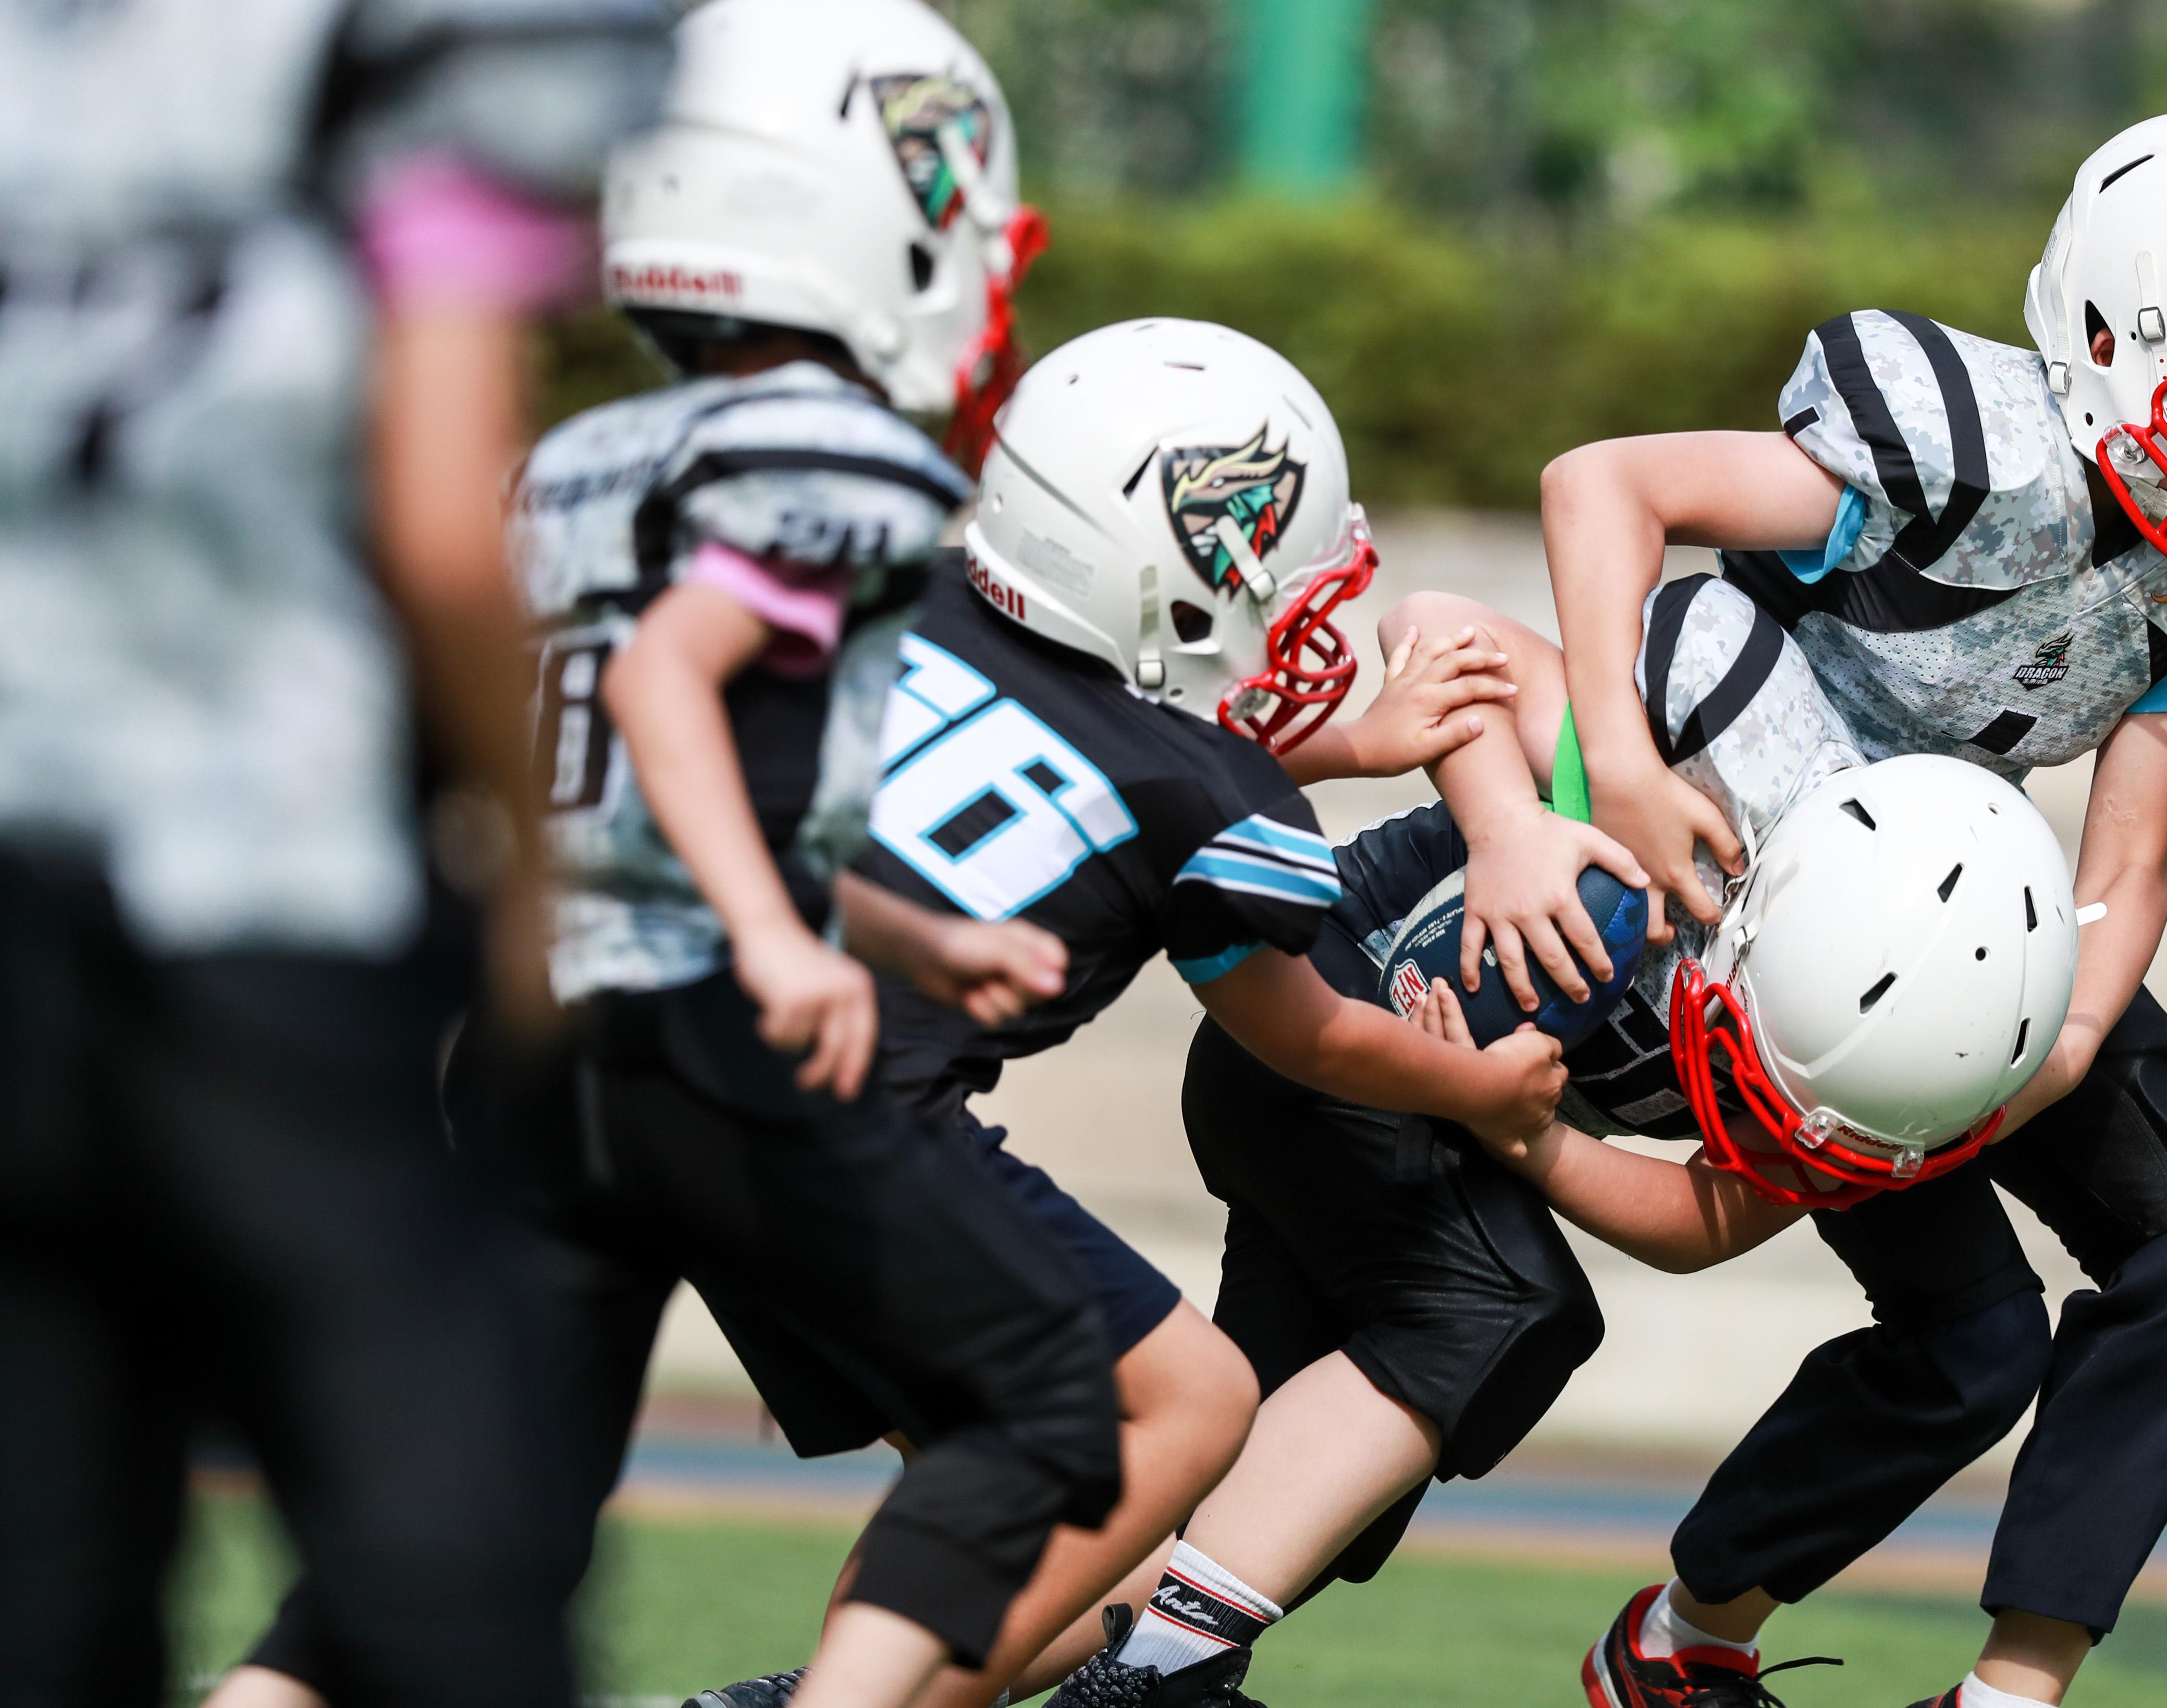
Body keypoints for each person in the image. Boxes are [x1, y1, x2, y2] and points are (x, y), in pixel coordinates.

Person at [207, 7, 1130, 1708]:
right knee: (1048, 1391)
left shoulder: (583, 460)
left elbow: (646, 778)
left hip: (545, 1040)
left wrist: (902, 942)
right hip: (707, 1026)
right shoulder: (840, 450)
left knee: (515, 1502)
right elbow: (667, 681)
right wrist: (782, 951)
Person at [1514, 109, 2167, 1708]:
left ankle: (2009, 1693)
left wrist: (2061, 1039)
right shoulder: (1961, 446)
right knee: (1975, 1341)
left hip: (1967, 906)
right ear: (2103, 337)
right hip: (1785, 877)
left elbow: (2127, 864)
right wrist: (1623, 759)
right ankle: (1682, 1644)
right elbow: (1604, 484)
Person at [685, 314, 1569, 1708]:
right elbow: (1309, 1029)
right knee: (1187, 1406)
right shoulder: (1224, 805)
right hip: (849, 1120)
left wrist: (1329, 747)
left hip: (660, 1050)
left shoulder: (902, 587)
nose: (1287, 608)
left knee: (996, 1476)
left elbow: (1085, 748)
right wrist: (1475, 1089)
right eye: (1263, 563)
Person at [1045, 537, 2074, 1708]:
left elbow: (1705, 1222)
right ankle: (1161, 1677)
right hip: (1325, 1012)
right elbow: (1437, 620)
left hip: (1428, 1119)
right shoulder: (1694, 808)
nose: (1794, 1112)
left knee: (1250, 1492)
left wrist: (1530, 1141)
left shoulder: (1905, 1062)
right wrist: (1502, 825)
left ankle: (883, 1685)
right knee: (1504, 1306)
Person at [0, 4, 670, 1707]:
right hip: (263, 880)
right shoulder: (399, 45)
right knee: (458, 1563)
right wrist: (541, 865)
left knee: (50, 1574)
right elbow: (447, 521)